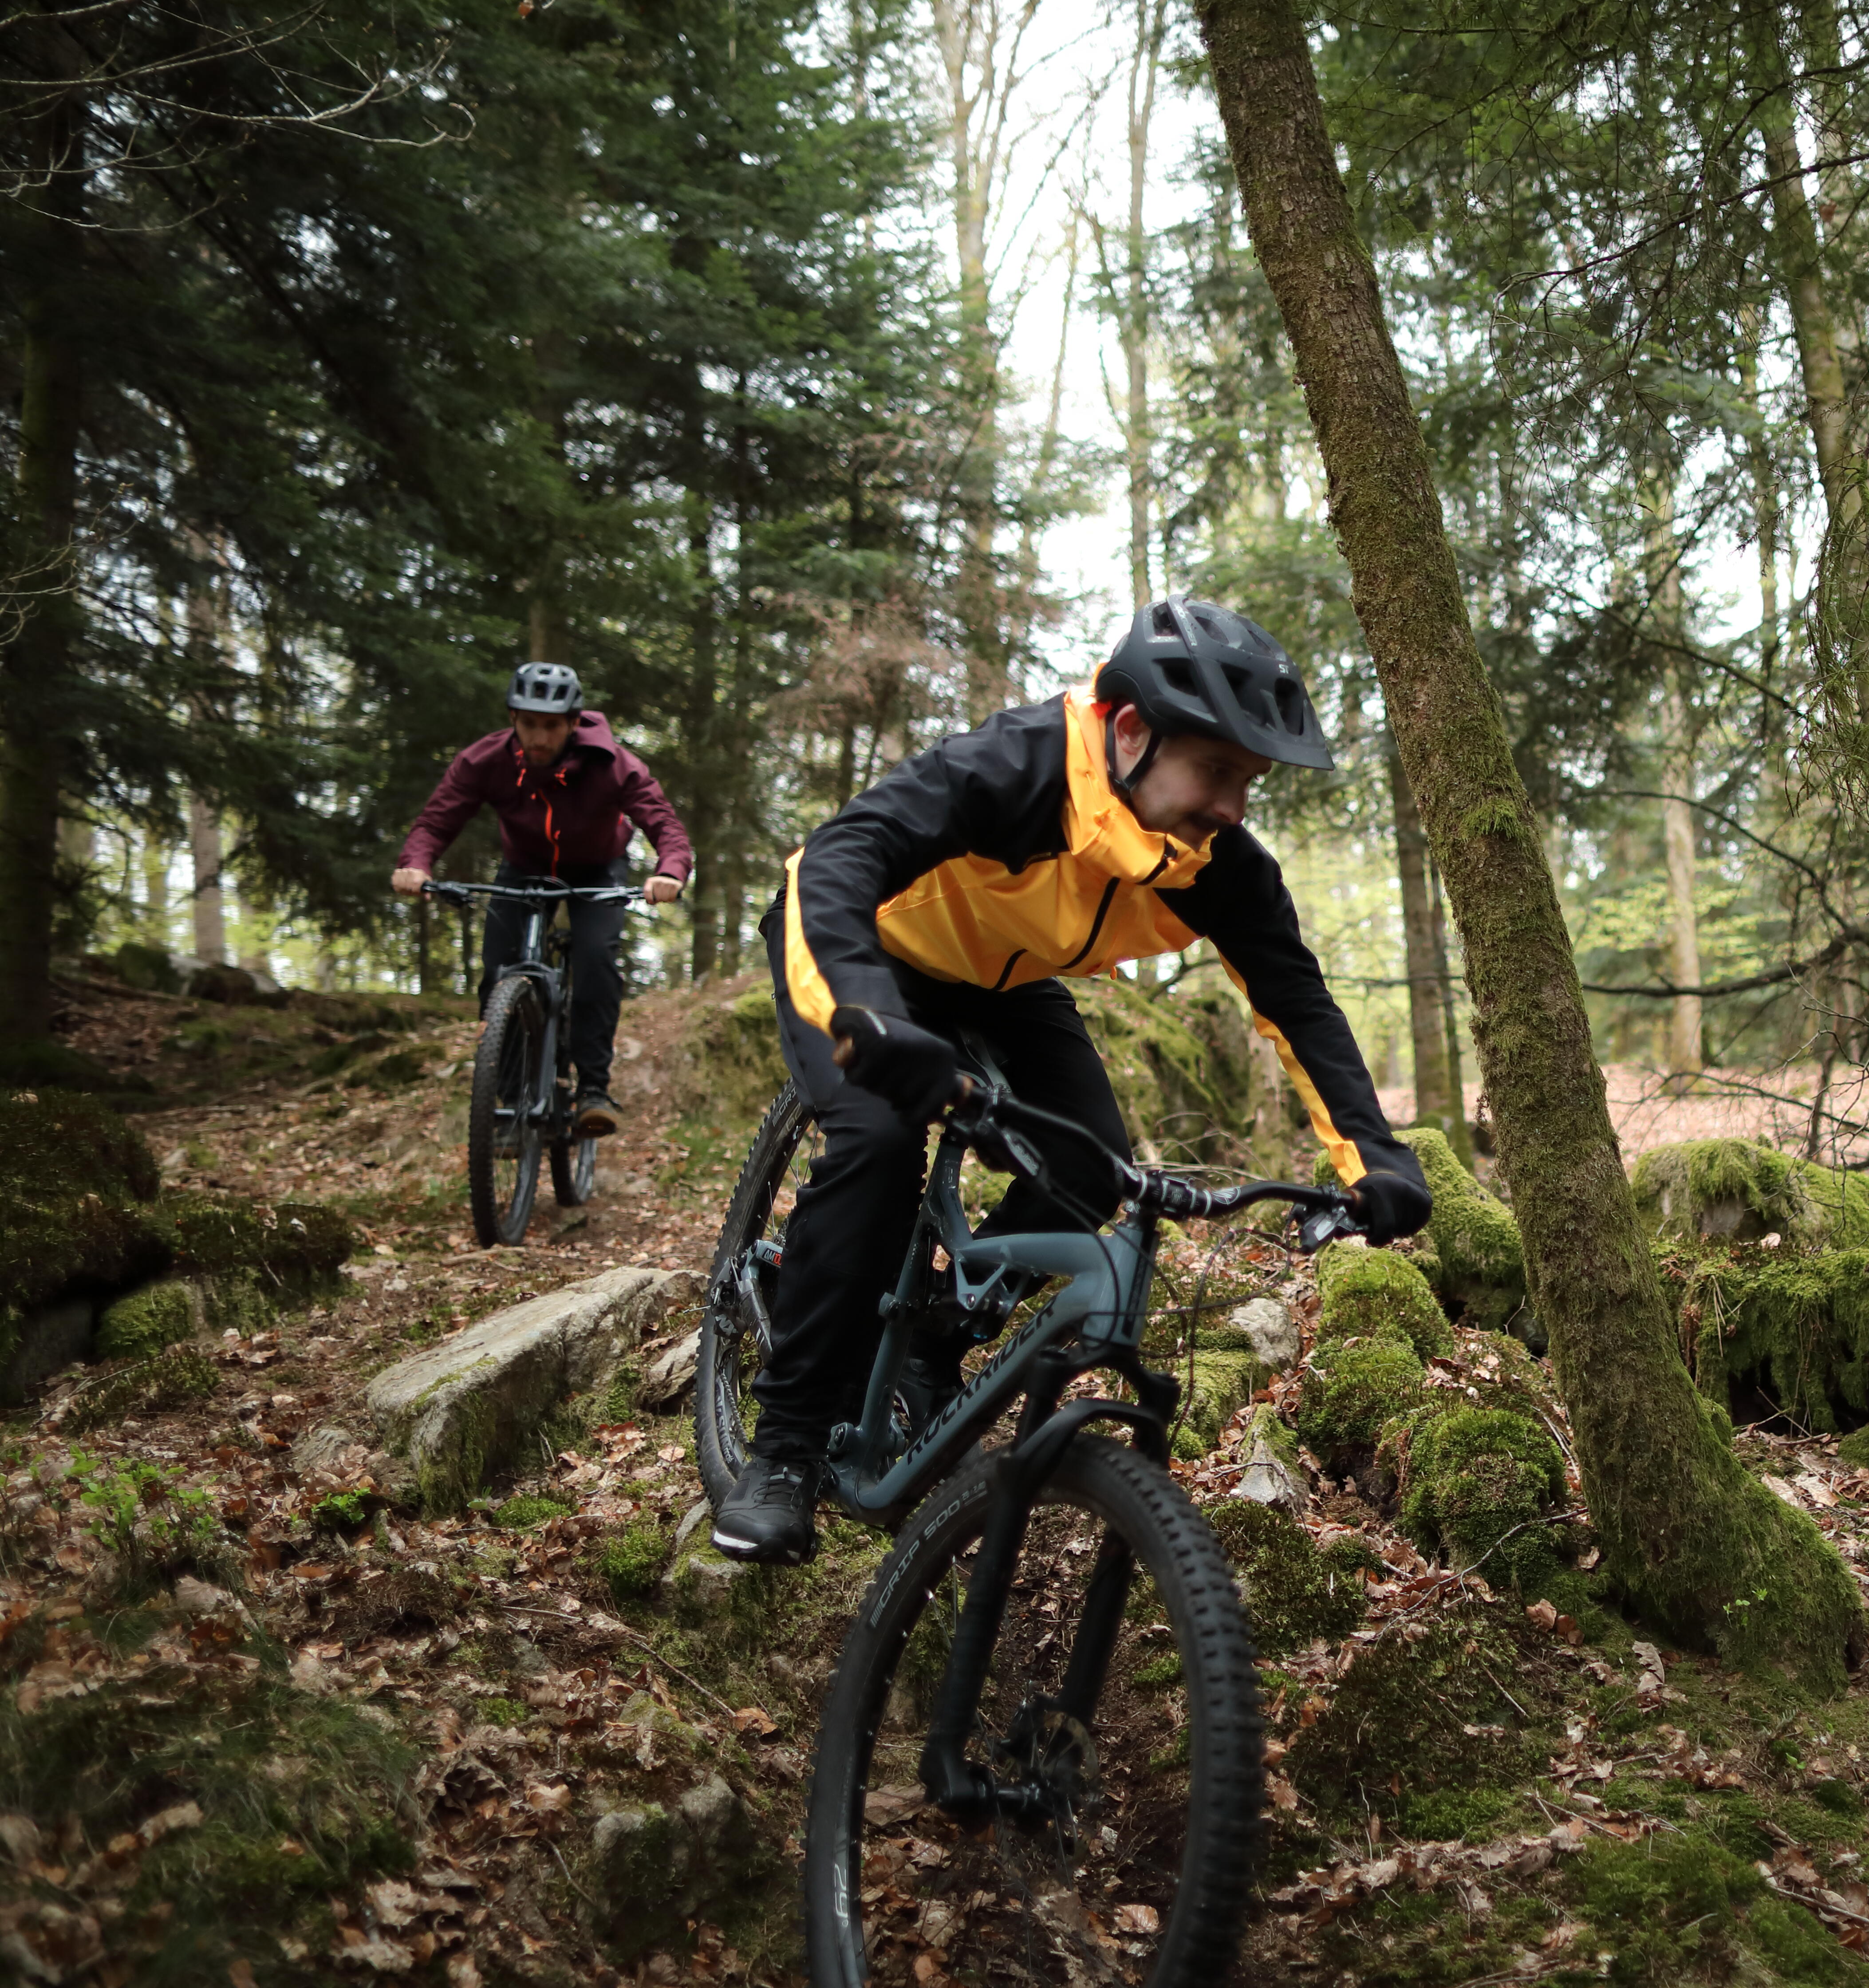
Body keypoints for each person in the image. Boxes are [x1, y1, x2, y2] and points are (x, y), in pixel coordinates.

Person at [712, 596, 1432, 1565]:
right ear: (1131, 732)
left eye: (1250, 781)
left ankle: (931, 1334)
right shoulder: (1015, 765)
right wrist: (864, 1009)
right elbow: (841, 857)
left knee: (1089, 1166)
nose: (1234, 806)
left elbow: (1299, 1008)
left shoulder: (1214, 862)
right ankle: (785, 1450)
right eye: (1218, 771)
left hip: (1007, 978)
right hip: (868, 950)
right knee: (881, 1142)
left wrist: (1373, 1158)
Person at [393, 661, 694, 1138]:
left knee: (596, 958)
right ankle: (512, 1100)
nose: (538, 736)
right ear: (513, 718)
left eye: (551, 725)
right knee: (499, 973)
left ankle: (593, 1089)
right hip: (525, 867)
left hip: (598, 868)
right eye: (529, 723)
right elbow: (437, 820)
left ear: (574, 723)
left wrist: (669, 872)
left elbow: (665, 825)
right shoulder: (486, 760)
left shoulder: (613, 763)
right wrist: (416, 864)